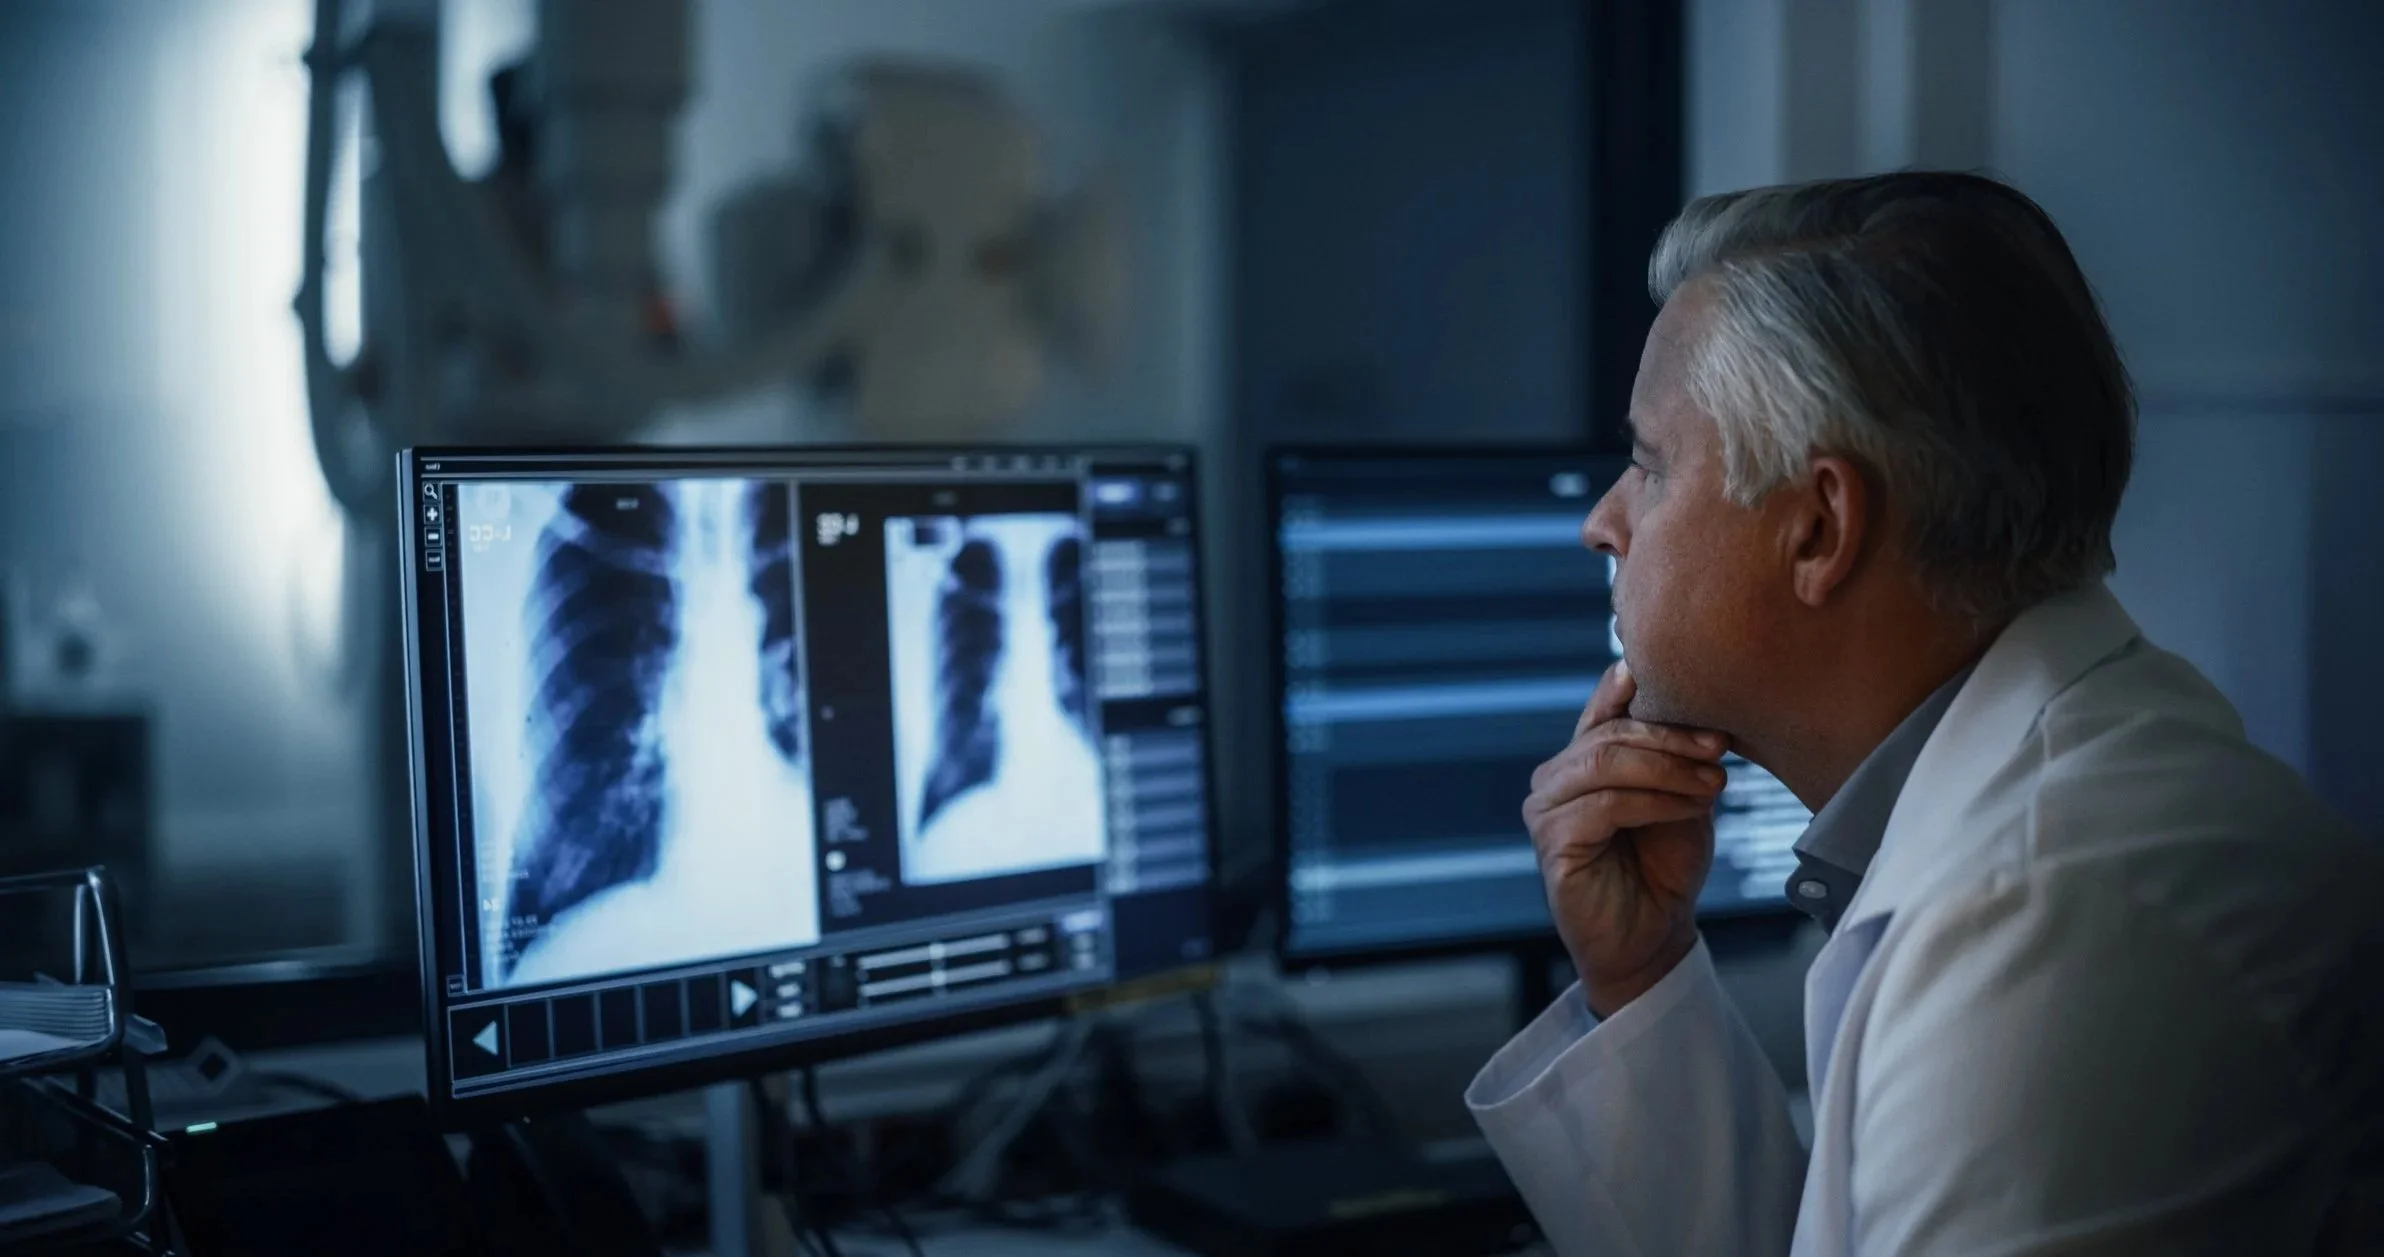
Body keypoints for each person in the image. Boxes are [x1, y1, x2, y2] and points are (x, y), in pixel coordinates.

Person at [1468, 171, 2384, 1255]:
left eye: (1648, 466)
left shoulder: (2054, 917)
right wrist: (1640, 971)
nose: (1601, 524)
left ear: (1816, 528)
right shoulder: (2055, 809)